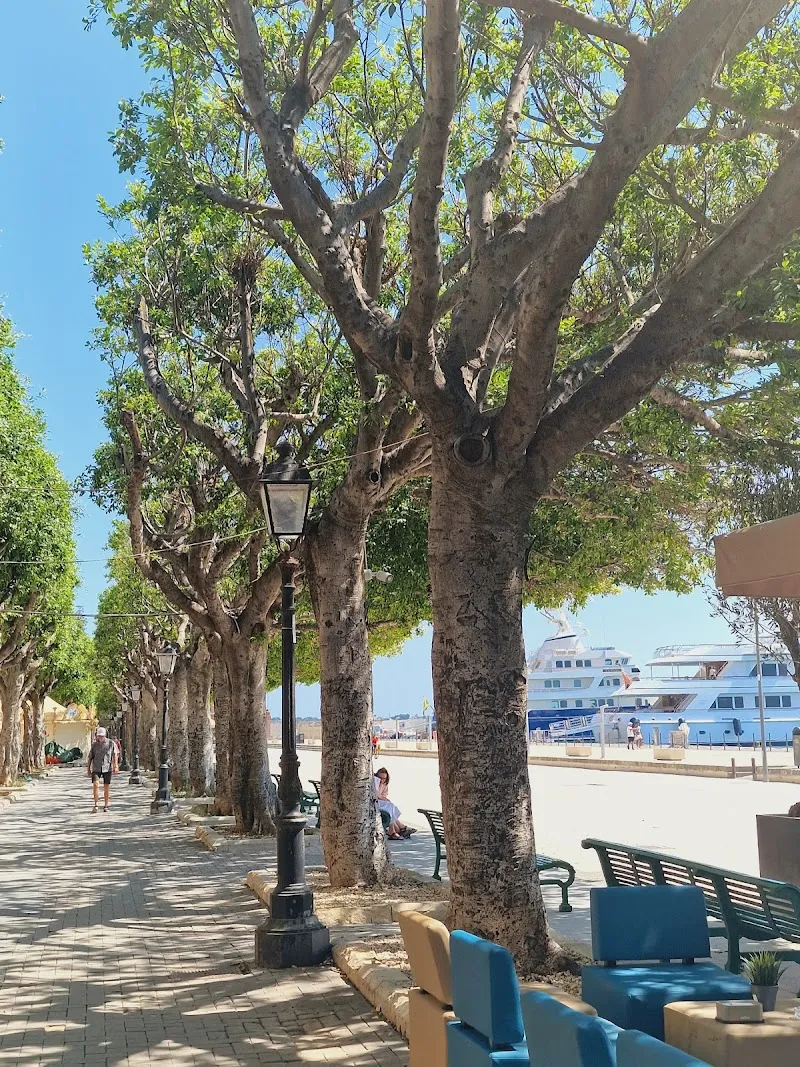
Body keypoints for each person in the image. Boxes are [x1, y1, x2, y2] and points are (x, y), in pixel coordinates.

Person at [374, 767, 416, 840]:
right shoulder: (375, 782)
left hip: (381, 803)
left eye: (384, 778)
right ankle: (398, 829)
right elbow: (377, 794)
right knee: (390, 806)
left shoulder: (385, 785)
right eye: (380, 777)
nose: (381, 780)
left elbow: (384, 795)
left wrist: (385, 799)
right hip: (375, 803)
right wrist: (384, 799)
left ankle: (398, 830)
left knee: (396, 827)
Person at [86, 727, 118, 813]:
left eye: (102, 736)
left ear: (105, 736)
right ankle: (96, 804)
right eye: (99, 736)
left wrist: (116, 765)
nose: (100, 738)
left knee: (106, 786)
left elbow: (115, 754)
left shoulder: (111, 743)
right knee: (96, 784)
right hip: (96, 767)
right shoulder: (94, 745)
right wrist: (88, 768)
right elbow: (90, 757)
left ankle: (106, 805)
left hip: (107, 767)